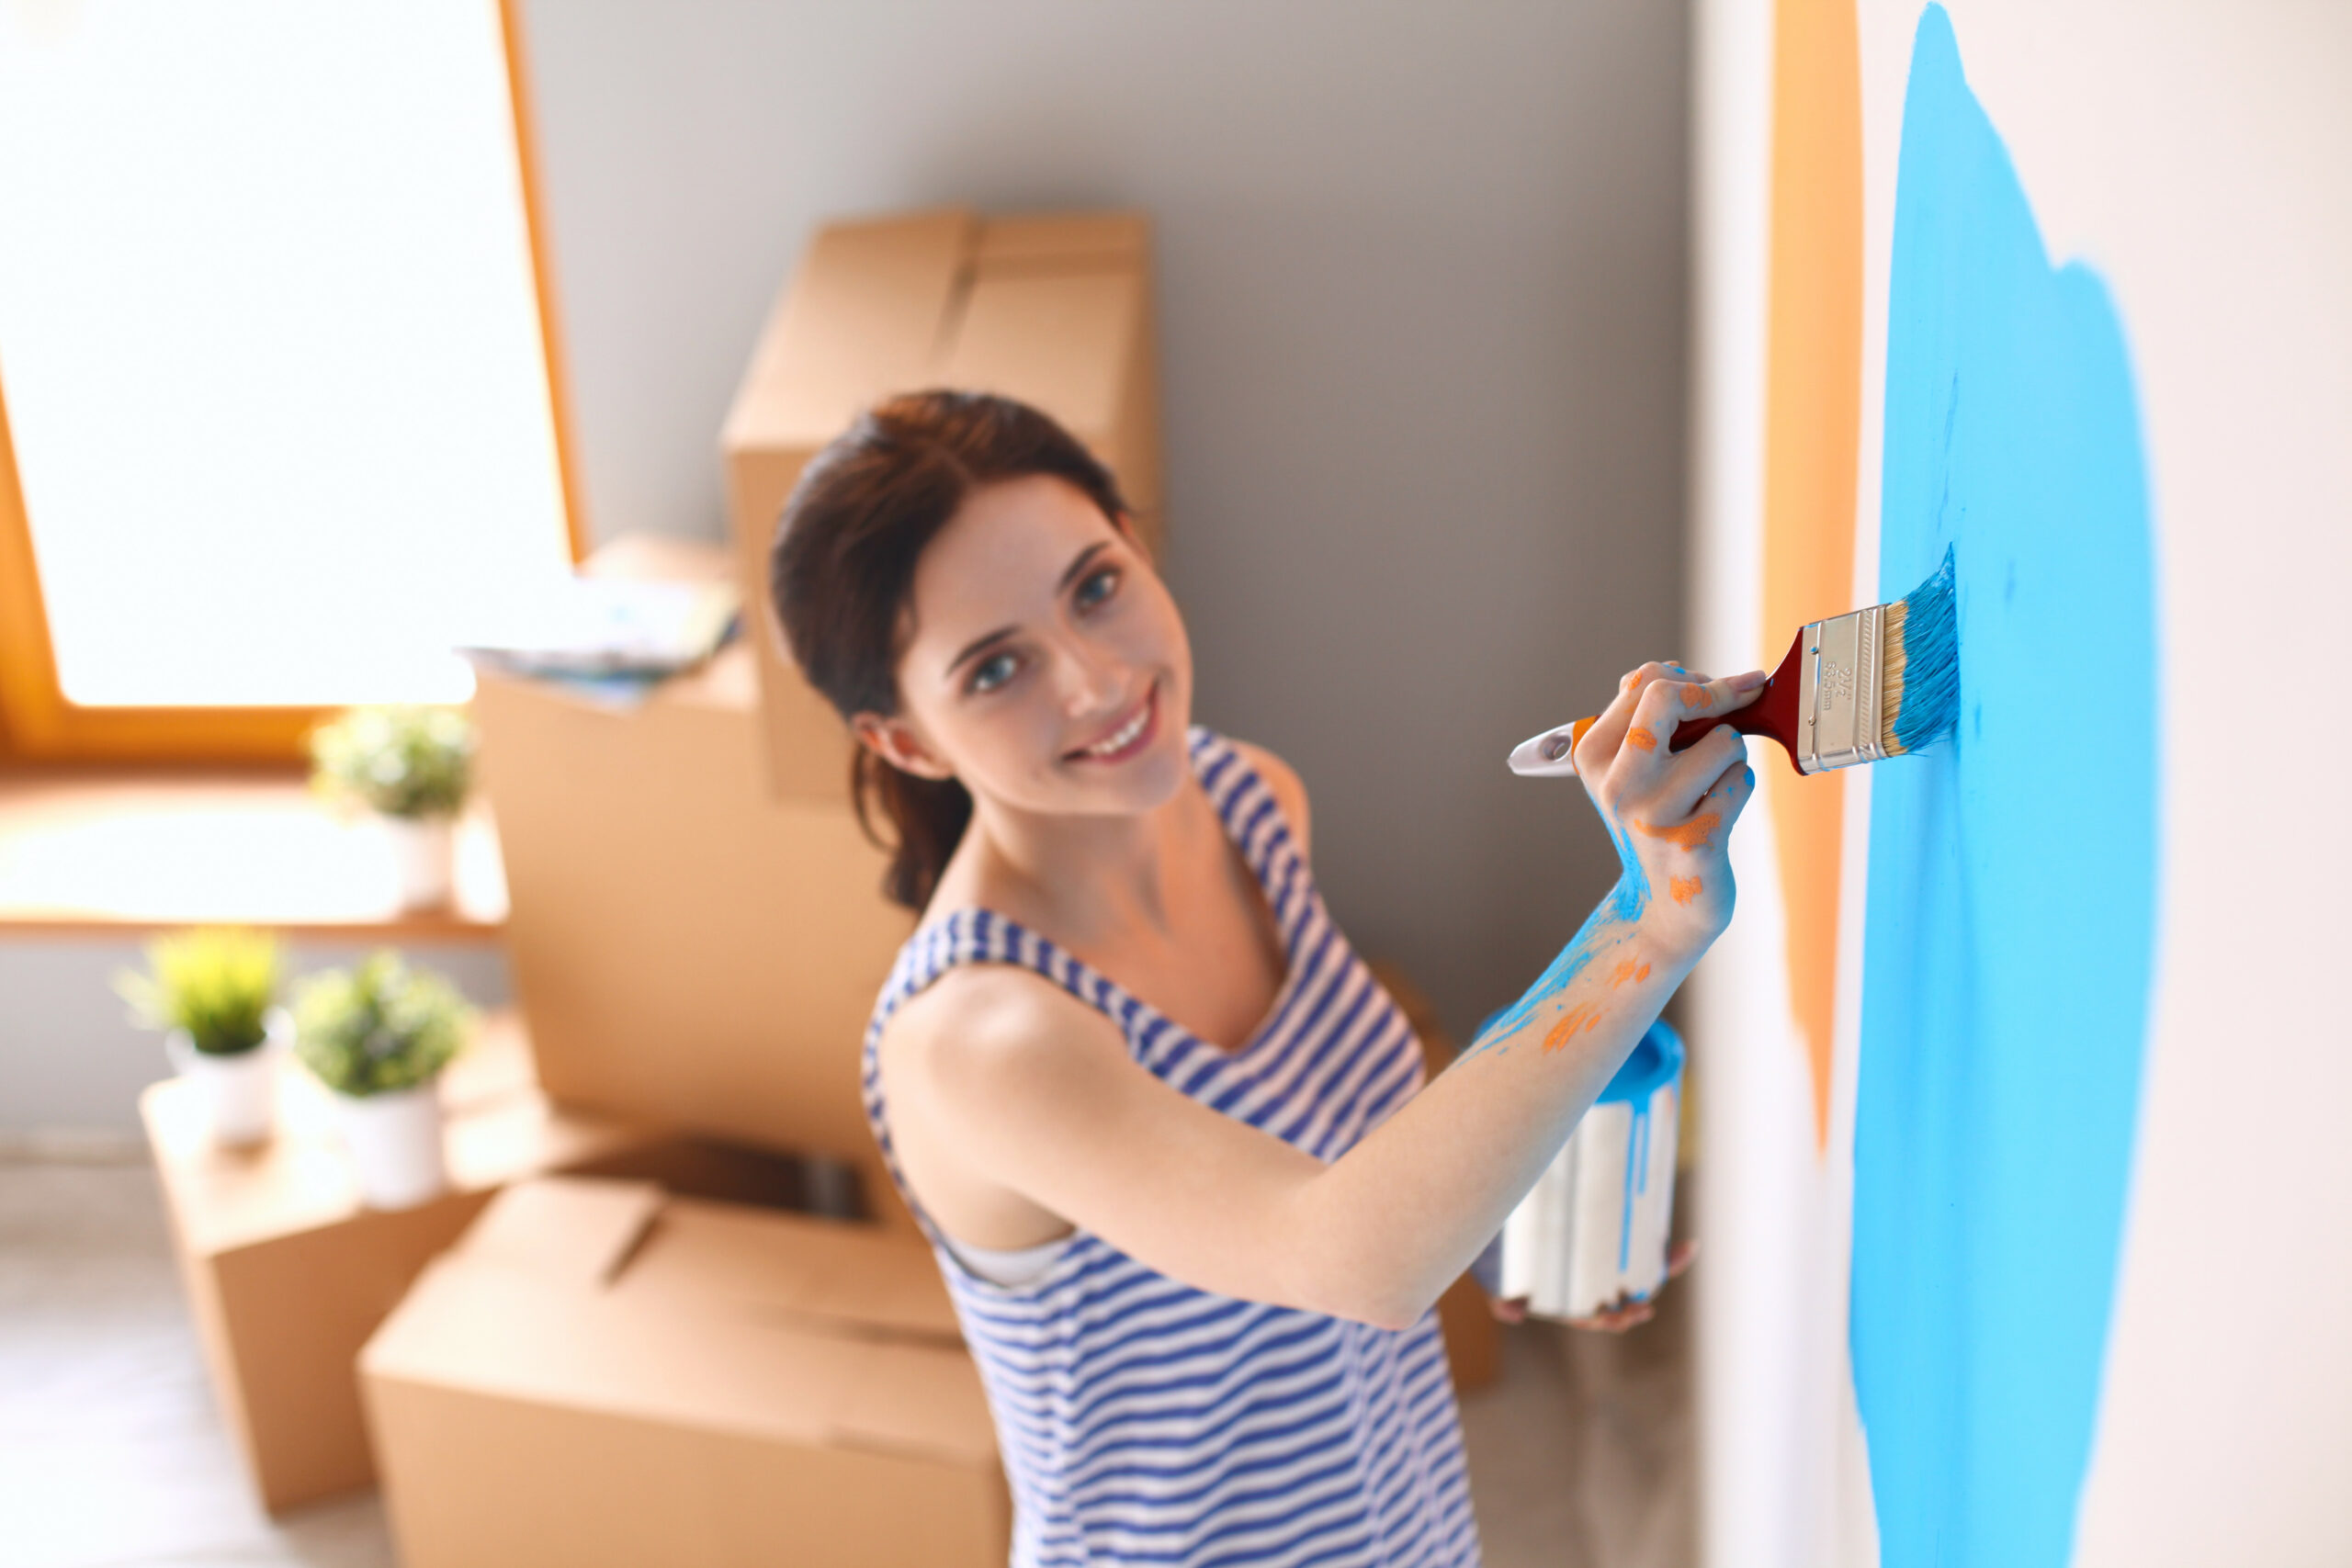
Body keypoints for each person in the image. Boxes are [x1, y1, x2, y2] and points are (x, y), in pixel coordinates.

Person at [768, 389, 1760, 1567]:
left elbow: (1346, 1143)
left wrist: (1509, 1229)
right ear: (906, 742)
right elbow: (1346, 1255)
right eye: (995, 670)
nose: (1091, 683)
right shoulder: (981, 1039)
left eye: (1095, 587)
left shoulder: (1246, 801)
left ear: (1137, 545)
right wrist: (1643, 933)